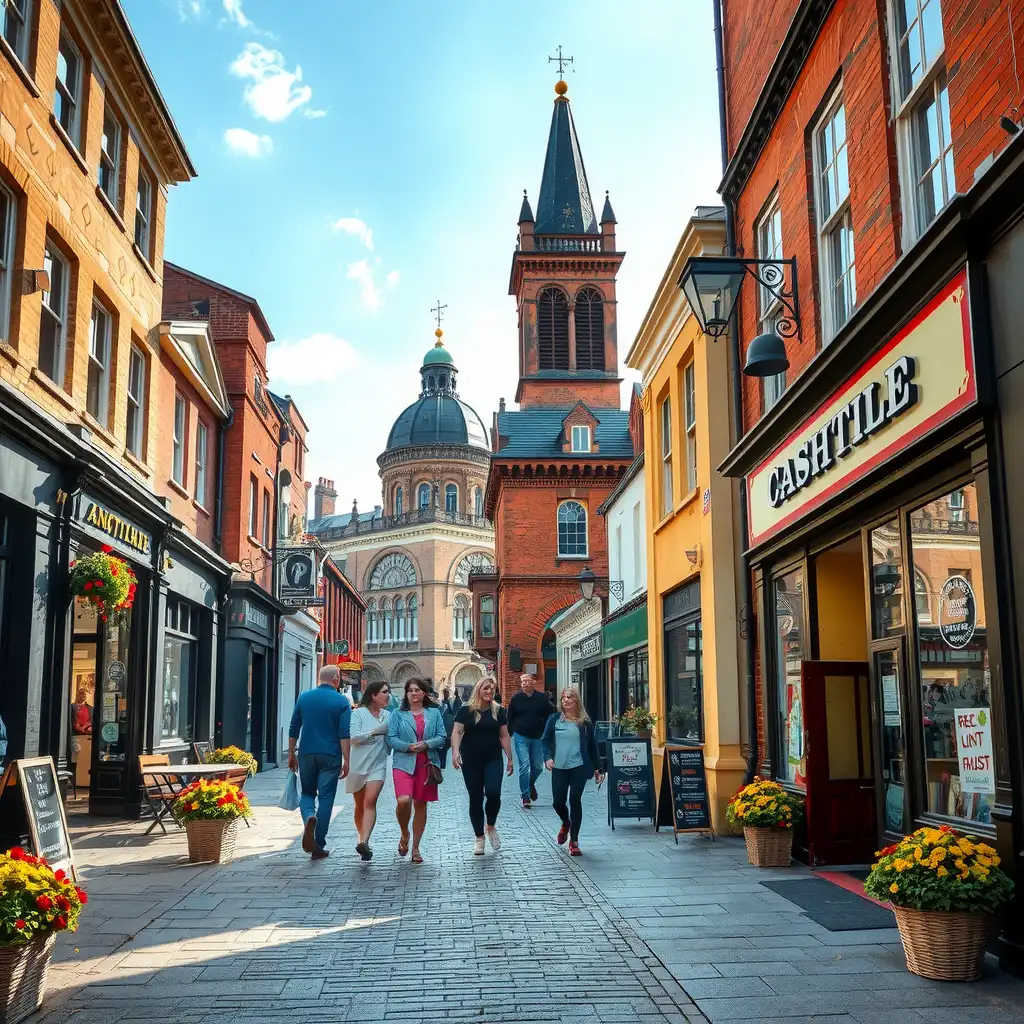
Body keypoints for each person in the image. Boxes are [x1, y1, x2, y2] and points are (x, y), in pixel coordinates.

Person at [288, 664, 352, 860]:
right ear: (336, 678)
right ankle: (318, 844)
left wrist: (292, 753)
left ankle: (309, 816)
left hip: (306, 752)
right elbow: (344, 733)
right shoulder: (341, 702)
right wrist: (346, 758)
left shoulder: (304, 697)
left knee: (307, 793)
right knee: (326, 798)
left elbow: (294, 726)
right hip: (330, 754)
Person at [451, 677, 514, 856]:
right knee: (476, 797)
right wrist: (455, 752)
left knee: (493, 793)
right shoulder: (466, 710)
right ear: (479, 689)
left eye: (492, 690)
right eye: (486, 688)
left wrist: (510, 757)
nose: (489, 692)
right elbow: (457, 731)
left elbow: (504, 735)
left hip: (493, 758)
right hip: (470, 759)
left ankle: (491, 826)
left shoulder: (499, 710)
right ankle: (479, 837)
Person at [388, 678, 446, 864]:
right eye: (411, 690)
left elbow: (442, 737)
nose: (414, 693)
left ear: (424, 693)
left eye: (418, 690)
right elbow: (391, 738)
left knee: (420, 804)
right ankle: (404, 833)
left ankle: (415, 848)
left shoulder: (435, 713)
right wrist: (408, 747)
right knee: (403, 800)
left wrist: (427, 744)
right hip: (403, 762)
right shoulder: (398, 714)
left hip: (427, 764)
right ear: (406, 693)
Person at [542, 687, 603, 856]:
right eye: (563, 698)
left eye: (569, 697)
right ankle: (565, 822)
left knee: (575, 799)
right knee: (558, 802)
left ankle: (574, 841)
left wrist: (598, 768)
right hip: (559, 767)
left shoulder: (584, 722)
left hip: (579, 767)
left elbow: (592, 746)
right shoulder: (554, 719)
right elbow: (545, 741)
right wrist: (547, 758)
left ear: (576, 700)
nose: (565, 700)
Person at [347, 681, 391, 861]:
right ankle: (360, 837)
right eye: (384, 692)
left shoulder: (388, 715)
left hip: (378, 764)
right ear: (373, 695)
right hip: (358, 765)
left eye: (388, 692)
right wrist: (374, 732)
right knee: (359, 805)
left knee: (370, 801)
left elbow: (392, 737)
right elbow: (353, 737)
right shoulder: (358, 713)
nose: (388, 695)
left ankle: (365, 841)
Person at [507, 673, 555, 808]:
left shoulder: (541, 698)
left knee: (539, 766)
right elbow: (509, 717)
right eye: (523, 682)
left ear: (533, 682)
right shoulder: (516, 699)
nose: (525, 684)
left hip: (538, 736)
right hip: (520, 735)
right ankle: (525, 796)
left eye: (528, 681)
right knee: (524, 766)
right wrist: (510, 733)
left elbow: (550, 714)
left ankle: (529, 783)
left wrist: (547, 731)